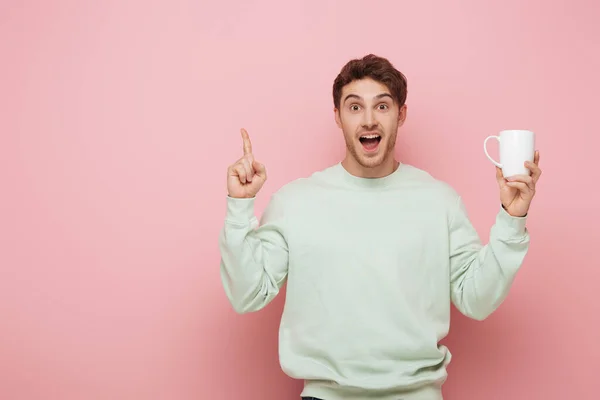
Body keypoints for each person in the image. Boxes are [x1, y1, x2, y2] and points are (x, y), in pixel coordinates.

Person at [218, 54, 542, 400]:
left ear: (401, 115)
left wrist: (512, 217)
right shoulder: (295, 202)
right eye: (354, 107)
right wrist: (239, 207)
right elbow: (247, 294)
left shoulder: (439, 201)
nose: (368, 120)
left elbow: (476, 299)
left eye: (382, 106)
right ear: (338, 118)